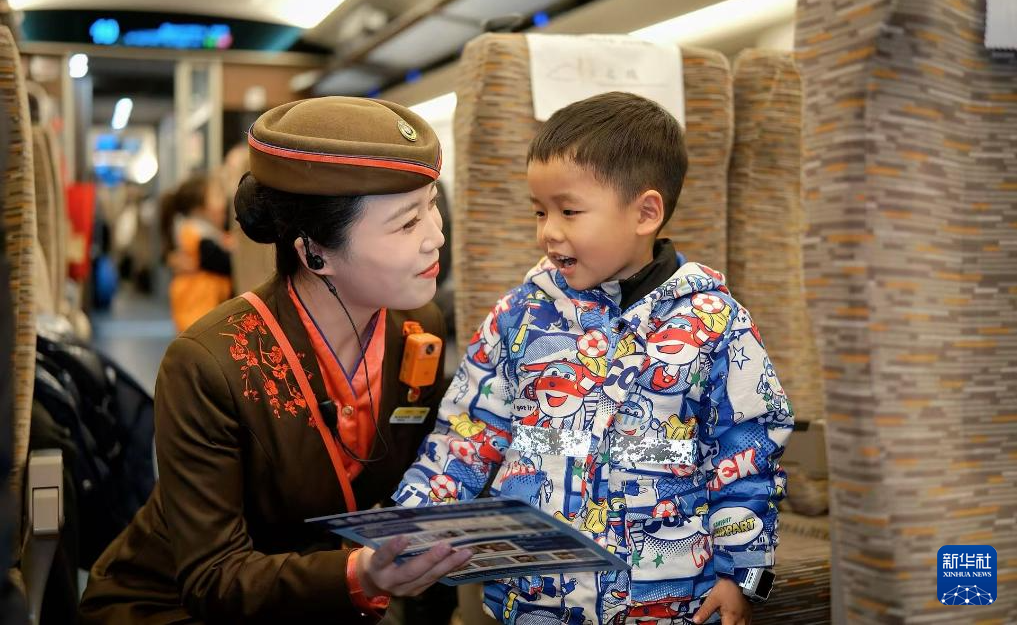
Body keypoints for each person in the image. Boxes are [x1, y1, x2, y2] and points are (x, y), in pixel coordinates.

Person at [394, 92, 794, 624]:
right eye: (540, 212)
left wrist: (740, 574)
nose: (548, 231)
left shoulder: (715, 324)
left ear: (645, 213)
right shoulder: (519, 317)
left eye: (569, 211)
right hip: (534, 599)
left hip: (666, 600)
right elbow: (466, 433)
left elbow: (746, 455)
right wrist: (413, 524)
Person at [79, 96, 471, 624]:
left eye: (432, 206)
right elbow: (212, 578)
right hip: (174, 607)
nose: (436, 237)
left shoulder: (418, 327)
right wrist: (360, 574)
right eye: (406, 224)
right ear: (315, 252)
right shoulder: (208, 365)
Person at [159, 175, 233, 331]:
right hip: (200, 312)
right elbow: (225, 263)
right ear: (199, 208)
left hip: (198, 310)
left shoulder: (193, 229)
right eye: (217, 195)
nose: (224, 200)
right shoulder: (199, 234)